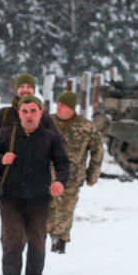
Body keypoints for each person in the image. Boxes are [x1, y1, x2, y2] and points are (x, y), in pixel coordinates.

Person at [0, 95, 71, 275]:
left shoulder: (50, 137)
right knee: (12, 239)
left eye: (33, 111)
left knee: (37, 240)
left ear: (40, 113)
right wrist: (1, 159)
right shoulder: (6, 133)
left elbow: (63, 163)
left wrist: (59, 182)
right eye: (24, 111)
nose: (29, 116)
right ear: (19, 113)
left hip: (39, 197)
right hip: (10, 197)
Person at [47, 91, 104, 254]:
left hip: (72, 178)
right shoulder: (48, 122)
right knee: (47, 209)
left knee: (65, 211)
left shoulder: (86, 127)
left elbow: (97, 151)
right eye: (57, 105)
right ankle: (44, 241)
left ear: (71, 108)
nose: (58, 108)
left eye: (62, 106)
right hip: (47, 176)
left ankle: (59, 244)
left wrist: (92, 175)